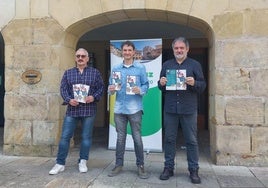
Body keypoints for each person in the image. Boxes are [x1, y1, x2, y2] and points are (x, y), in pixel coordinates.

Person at [158, 37, 206, 184]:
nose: (179, 50)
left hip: (188, 109)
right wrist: (161, 83)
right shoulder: (167, 65)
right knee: (169, 139)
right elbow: (161, 86)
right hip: (170, 108)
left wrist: (194, 83)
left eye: (181, 48)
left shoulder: (194, 65)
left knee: (191, 141)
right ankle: (168, 168)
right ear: (173, 50)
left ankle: (193, 170)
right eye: (176, 48)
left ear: (187, 49)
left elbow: (202, 85)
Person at [49, 48, 104, 175]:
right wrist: (68, 99)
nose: (80, 58)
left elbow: (101, 88)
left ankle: (83, 161)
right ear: (75, 58)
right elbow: (63, 89)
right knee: (65, 137)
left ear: (87, 59)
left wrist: (94, 97)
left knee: (86, 137)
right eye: (78, 56)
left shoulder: (95, 73)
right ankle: (60, 163)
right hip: (72, 110)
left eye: (83, 56)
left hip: (88, 110)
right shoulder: (68, 73)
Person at [108, 40, 149, 179]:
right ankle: (118, 164)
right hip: (119, 109)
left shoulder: (140, 68)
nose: (126, 53)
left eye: (129, 50)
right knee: (120, 139)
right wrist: (111, 89)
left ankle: (141, 165)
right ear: (121, 52)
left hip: (135, 109)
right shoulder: (116, 68)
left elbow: (146, 85)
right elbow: (111, 87)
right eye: (124, 50)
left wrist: (140, 89)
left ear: (133, 52)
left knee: (137, 138)